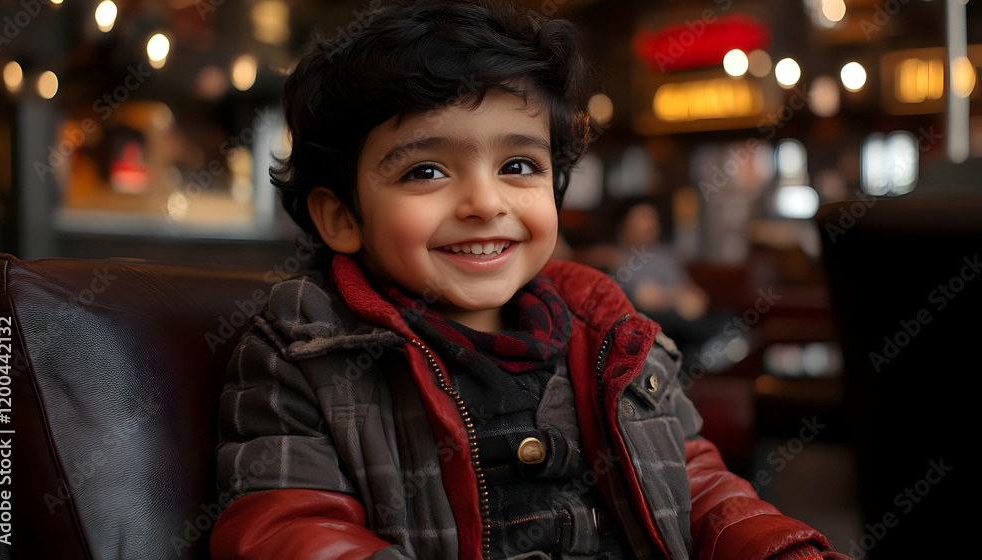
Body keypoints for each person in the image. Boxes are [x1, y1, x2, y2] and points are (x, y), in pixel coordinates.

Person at [211, 1, 847, 558]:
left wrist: (776, 549)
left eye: (518, 164)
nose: (486, 203)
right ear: (343, 217)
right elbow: (286, 528)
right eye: (427, 172)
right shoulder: (304, 350)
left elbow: (697, 488)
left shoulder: (610, 337)